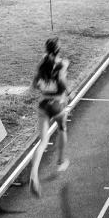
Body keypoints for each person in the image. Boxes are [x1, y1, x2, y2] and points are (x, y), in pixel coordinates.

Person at [28, 37, 69, 196]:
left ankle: (34, 173)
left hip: (43, 104)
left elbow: (34, 84)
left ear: (46, 49)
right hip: (58, 104)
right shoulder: (62, 64)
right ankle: (60, 160)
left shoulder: (42, 63)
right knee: (62, 129)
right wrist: (69, 92)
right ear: (58, 50)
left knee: (43, 141)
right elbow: (62, 81)